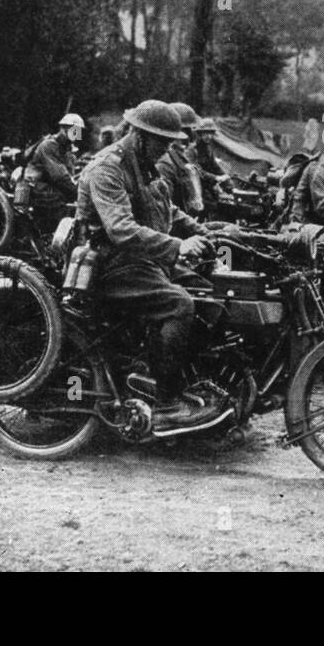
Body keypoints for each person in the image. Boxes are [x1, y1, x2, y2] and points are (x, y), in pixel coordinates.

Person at [76, 100, 225, 432]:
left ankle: (182, 378)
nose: (168, 150)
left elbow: (167, 210)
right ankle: (167, 400)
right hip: (108, 264)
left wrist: (204, 232)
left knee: (209, 295)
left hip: (141, 259)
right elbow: (121, 230)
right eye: (164, 142)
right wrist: (177, 246)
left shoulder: (145, 164)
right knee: (179, 305)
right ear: (141, 135)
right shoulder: (108, 167)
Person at [24, 113, 84, 235]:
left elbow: (70, 175)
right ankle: (52, 237)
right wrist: (77, 191)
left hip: (52, 185)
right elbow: (59, 176)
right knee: (60, 203)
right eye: (74, 130)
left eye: (78, 131)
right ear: (63, 129)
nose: (76, 133)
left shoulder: (69, 152)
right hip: (36, 185)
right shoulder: (48, 146)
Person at [155, 102, 203, 215]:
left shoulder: (180, 156)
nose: (192, 134)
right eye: (188, 130)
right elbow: (164, 206)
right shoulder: (165, 162)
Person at [190, 117, 226, 196]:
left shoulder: (208, 148)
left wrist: (224, 175)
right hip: (196, 186)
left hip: (207, 184)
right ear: (200, 134)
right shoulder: (193, 149)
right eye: (205, 133)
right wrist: (215, 178)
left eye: (211, 133)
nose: (208, 136)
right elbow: (197, 171)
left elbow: (214, 165)